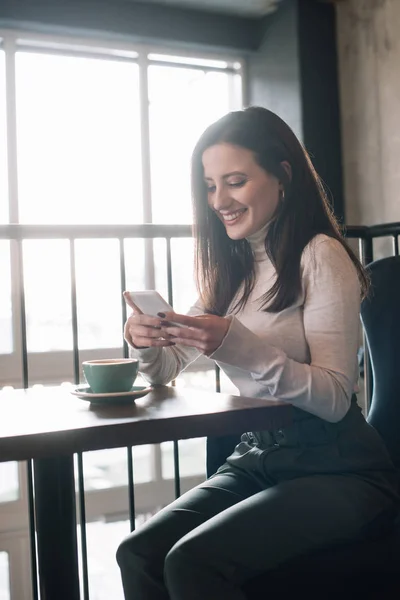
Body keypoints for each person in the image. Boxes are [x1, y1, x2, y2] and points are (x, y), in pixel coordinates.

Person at [116, 107, 399, 600]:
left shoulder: (320, 255)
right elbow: (165, 373)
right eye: (209, 186)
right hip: (259, 455)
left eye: (236, 181)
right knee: (138, 553)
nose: (219, 200)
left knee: (192, 561)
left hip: (338, 464)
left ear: (283, 176)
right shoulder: (232, 270)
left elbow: (334, 398)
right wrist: (146, 340)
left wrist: (239, 345)